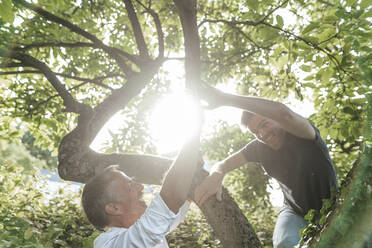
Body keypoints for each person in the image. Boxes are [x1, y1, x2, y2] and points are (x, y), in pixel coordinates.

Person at [194, 85, 338, 248]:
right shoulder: (258, 148)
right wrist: (216, 176)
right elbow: (222, 164)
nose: (262, 135)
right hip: (295, 211)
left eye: (264, 124)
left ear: (277, 119)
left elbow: (284, 114)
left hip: (331, 205)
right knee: (285, 243)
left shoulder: (304, 134)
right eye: (256, 132)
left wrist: (225, 98)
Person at [82, 105, 203, 248]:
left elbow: (171, 209)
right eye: (129, 187)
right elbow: (172, 197)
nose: (140, 186)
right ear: (114, 208)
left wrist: (191, 168)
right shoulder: (110, 245)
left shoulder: (143, 235)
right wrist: (195, 127)